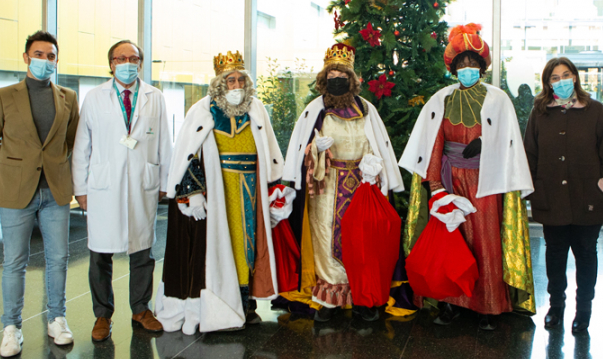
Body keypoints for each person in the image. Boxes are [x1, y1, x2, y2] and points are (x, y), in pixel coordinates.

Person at [400, 23, 536, 331]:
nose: (467, 69)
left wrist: (487, 144)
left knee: (485, 242)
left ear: (482, 66)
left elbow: (509, 142)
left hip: (486, 181)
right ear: (453, 67)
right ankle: (451, 302)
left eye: (473, 63)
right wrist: (435, 186)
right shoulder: (441, 99)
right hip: (451, 181)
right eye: (462, 64)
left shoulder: (499, 99)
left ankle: (487, 304)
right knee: (451, 242)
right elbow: (433, 142)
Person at [154, 51, 283, 334]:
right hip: (218, 189)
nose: (236, 86)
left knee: (249, 245)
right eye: (230, 81)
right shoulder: (202, 110)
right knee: (222, 247)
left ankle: (246, 304)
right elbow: (186, 153)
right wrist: (193, 192)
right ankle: (223, 303)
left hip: (251, 189)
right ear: (219, 84)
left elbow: (271, 151)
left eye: (240, 80)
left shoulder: (256, 109)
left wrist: (276, 188)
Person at [281, 43, 404, 323]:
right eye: (332, 74)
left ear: (352, 79)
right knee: (326, 236)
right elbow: (302, 151)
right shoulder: (315, 110)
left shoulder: (366, 108)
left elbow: (378, 145)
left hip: (363, 184)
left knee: (363, 240)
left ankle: (363, 296)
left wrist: (373, 167)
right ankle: (330, 300)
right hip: (327, 184)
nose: (338, 79)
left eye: (343, 74)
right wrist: (315, 149)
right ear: (325, 79)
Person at [0, 31, 80, 357]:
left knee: (59, 259)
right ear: (26, 57)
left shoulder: (68, 97)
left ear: (56, 60)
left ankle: (57, 319)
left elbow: (72, 142)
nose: (45, 61)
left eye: (51, 56)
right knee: (14, 262)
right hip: (16, 192)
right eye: (39, 54)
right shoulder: (3, 95)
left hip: (56, 191)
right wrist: (13, 168)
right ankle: (11, 327)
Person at [71, 39, 173, 342]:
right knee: (100, 253)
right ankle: (102, 314)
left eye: (134, 58)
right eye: (120, 58)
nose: (127, 63)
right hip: (103, 186)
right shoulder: (93, 97)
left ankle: (141, 309)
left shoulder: (155, 97)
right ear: (111, 64)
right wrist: (81, 189)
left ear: (140, 63)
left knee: (143, 250)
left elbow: (165, 144)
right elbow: (81, 147)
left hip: (143, 184)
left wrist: (165, 184)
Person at [523, 57, 603, 333]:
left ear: (575, 77)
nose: (562, 81)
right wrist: (533, 188)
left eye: (566, 75)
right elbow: (530, 152)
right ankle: (556, 307)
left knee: (586, 254)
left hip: (587, 196)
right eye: (555, 77)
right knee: (554, 255)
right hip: (551, 196)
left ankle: (584, 311)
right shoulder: (540, 113)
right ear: (547, 83)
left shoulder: (594, 110)